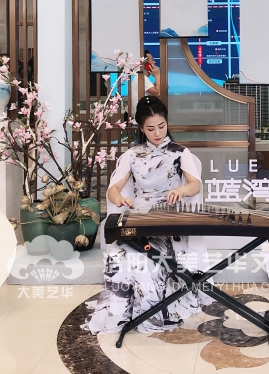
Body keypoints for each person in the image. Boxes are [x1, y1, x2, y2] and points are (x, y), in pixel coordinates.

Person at [82, 95, 204, 336]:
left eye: (161, 126)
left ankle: (151, 314)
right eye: (150, 128)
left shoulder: (180, 153)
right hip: (138, 221)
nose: (157, 133)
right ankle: (123, 313)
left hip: (168, 222)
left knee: (148, 259)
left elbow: (195, 185)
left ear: (167, 123)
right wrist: (119, 199)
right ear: (141, 128)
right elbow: (113, 189)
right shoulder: (132, 155)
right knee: (120, 254)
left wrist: (181, 190)